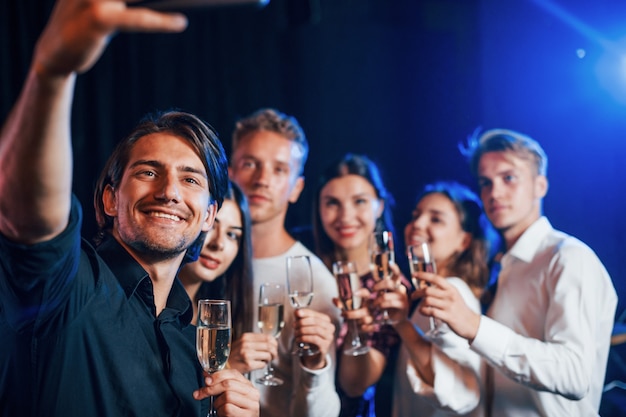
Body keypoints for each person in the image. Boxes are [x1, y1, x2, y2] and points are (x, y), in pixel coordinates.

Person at [0, 1, 259, 416]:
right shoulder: (66, 287)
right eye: (147, 172)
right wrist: (51, 72)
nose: (169, 191)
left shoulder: (190, 345)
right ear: (109, 198)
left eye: (191, 179)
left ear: (209, 216)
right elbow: (26, 214)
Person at [417, 129, 617, 415]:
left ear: (540, 186)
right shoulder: (502, 268)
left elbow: (575, 375)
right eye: (486, 182)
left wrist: (474, 325)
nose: (494, 193)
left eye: (508, 178)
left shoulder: (569, 258)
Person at [229, 108, 342, 417]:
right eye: (250, 163)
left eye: (279, 169)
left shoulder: (313, 281)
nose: (262, 180)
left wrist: (316, 364)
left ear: (296, 188)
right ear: (229, 173)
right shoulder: (203, 262)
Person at [372, 180, 497, 417]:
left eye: (436, 219)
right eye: (416, 215)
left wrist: (402, 325)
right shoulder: (427, 296)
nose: (417, 224)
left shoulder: (453, 293)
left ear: (465, 241)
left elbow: (460, 392)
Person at [311, 152, 406, 417]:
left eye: (360, 201)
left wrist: (357, 331)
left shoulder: (389, 287)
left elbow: (355, 386)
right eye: (332, 203)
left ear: (379, 206)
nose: (346, 215)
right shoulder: (306, 269)